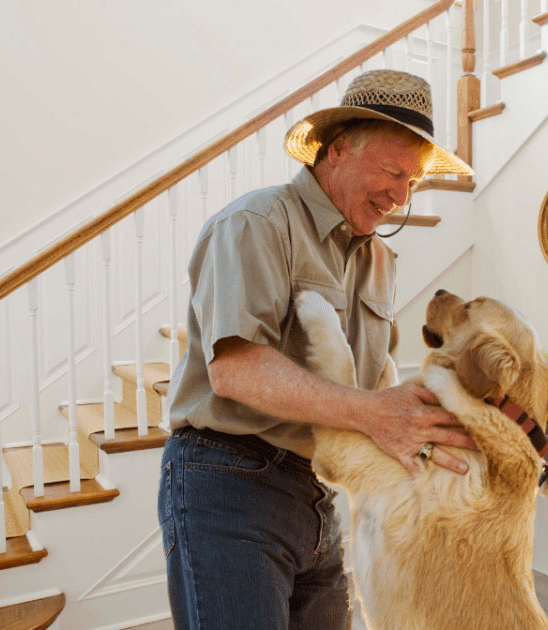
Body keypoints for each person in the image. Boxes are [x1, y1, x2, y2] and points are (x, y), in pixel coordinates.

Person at [159, 70, 477, 630]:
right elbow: (235, 370)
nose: (401, 196)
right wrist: (375, 413)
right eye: (393, 172)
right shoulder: (257, 223)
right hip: (227, 480)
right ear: (337, 150)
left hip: (317, 492)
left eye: (413, 181)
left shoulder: (381, 261)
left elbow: (377, 390)